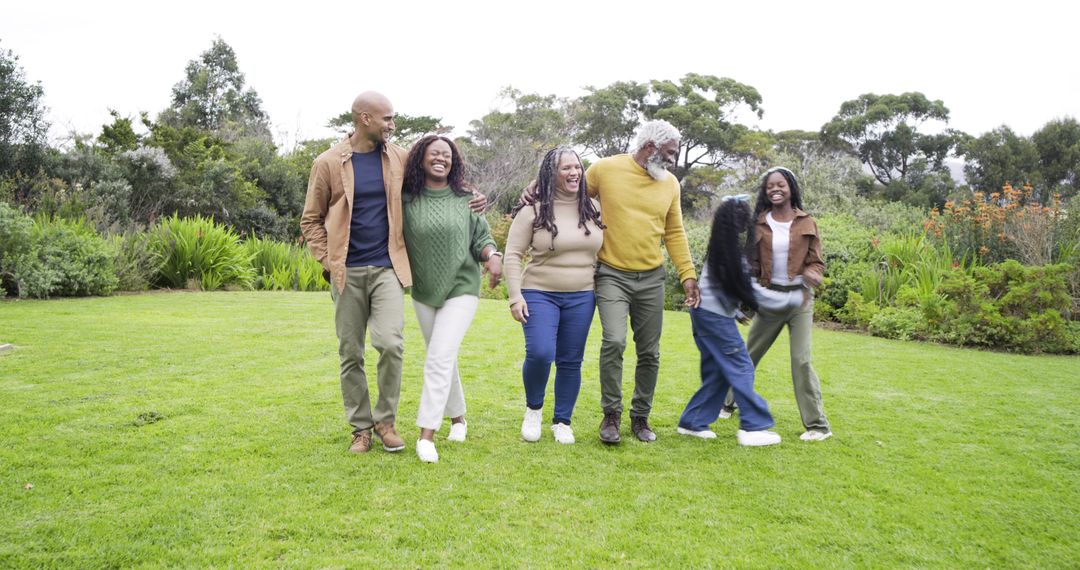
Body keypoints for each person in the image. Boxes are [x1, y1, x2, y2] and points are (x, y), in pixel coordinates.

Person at [300, 91, 485, 455]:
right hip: (346, 272)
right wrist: (327, 260)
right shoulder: (327, 163)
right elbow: (311, 219)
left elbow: (441, 178)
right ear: (364, 118)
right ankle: (361, 429)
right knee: (350, 352)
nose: (392, 125)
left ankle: (386, 422)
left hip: (387, 268)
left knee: (390, 343)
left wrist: (473, 196)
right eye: (387, 119)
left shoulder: (399, 158)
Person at [586, 120, 700, 444]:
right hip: (611, 273)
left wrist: (688, 275)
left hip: (651, 278)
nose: (673, 161)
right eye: (670, 154)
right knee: (614, 341)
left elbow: (675, 232)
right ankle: (611, 415)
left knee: (649, 352)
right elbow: (571, 195)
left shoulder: (670, 184)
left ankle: (640, 417)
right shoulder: (604, 170)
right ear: (649, 147)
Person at [402, 134, 501, 463]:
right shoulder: (406, 198)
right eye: (434, 154)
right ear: (421, 159)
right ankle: (458, 418)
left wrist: (492, 256)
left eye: (447, 154)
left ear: (454, 161)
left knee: (439, 358)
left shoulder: (467, 198)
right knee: (441, 357)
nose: (441, 158)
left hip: (461, 287)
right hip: (424, 290)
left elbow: (481, 239)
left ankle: (426, 434)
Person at [719, 167, 833, 441]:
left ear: (791, 187)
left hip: (800, 299)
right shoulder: (758, 224)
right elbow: (752, 264)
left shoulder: (807, 222)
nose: (775, 189)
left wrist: (812, 275)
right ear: (765, 192)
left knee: (801, 360)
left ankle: (818, 426)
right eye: (770, 186)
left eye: (780, 184)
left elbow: (817, 261)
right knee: (748, 355)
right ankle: (725, 403)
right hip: (770, 298)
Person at [504, 148, 604, 445]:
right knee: (541, 353)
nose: (574, 172)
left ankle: (562, 420)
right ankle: (533, 409)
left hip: (583, 295)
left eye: (577, 167)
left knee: (571, 360)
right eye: (566, 168)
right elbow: (512, 254)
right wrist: (514, 296)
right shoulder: (533, 210)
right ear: (551, 174)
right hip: (539, 292)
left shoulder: (595, 208)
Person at [676, 196, 787, 446]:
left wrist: (735, 312)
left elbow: (718, 287)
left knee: (718, 371)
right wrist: (787, 300)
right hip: (713, 318)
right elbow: (748, 290)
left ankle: (692, 421)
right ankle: (753, 426)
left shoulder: (721, 248)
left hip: (706, 314)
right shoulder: (728, 253)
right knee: (741, 366)